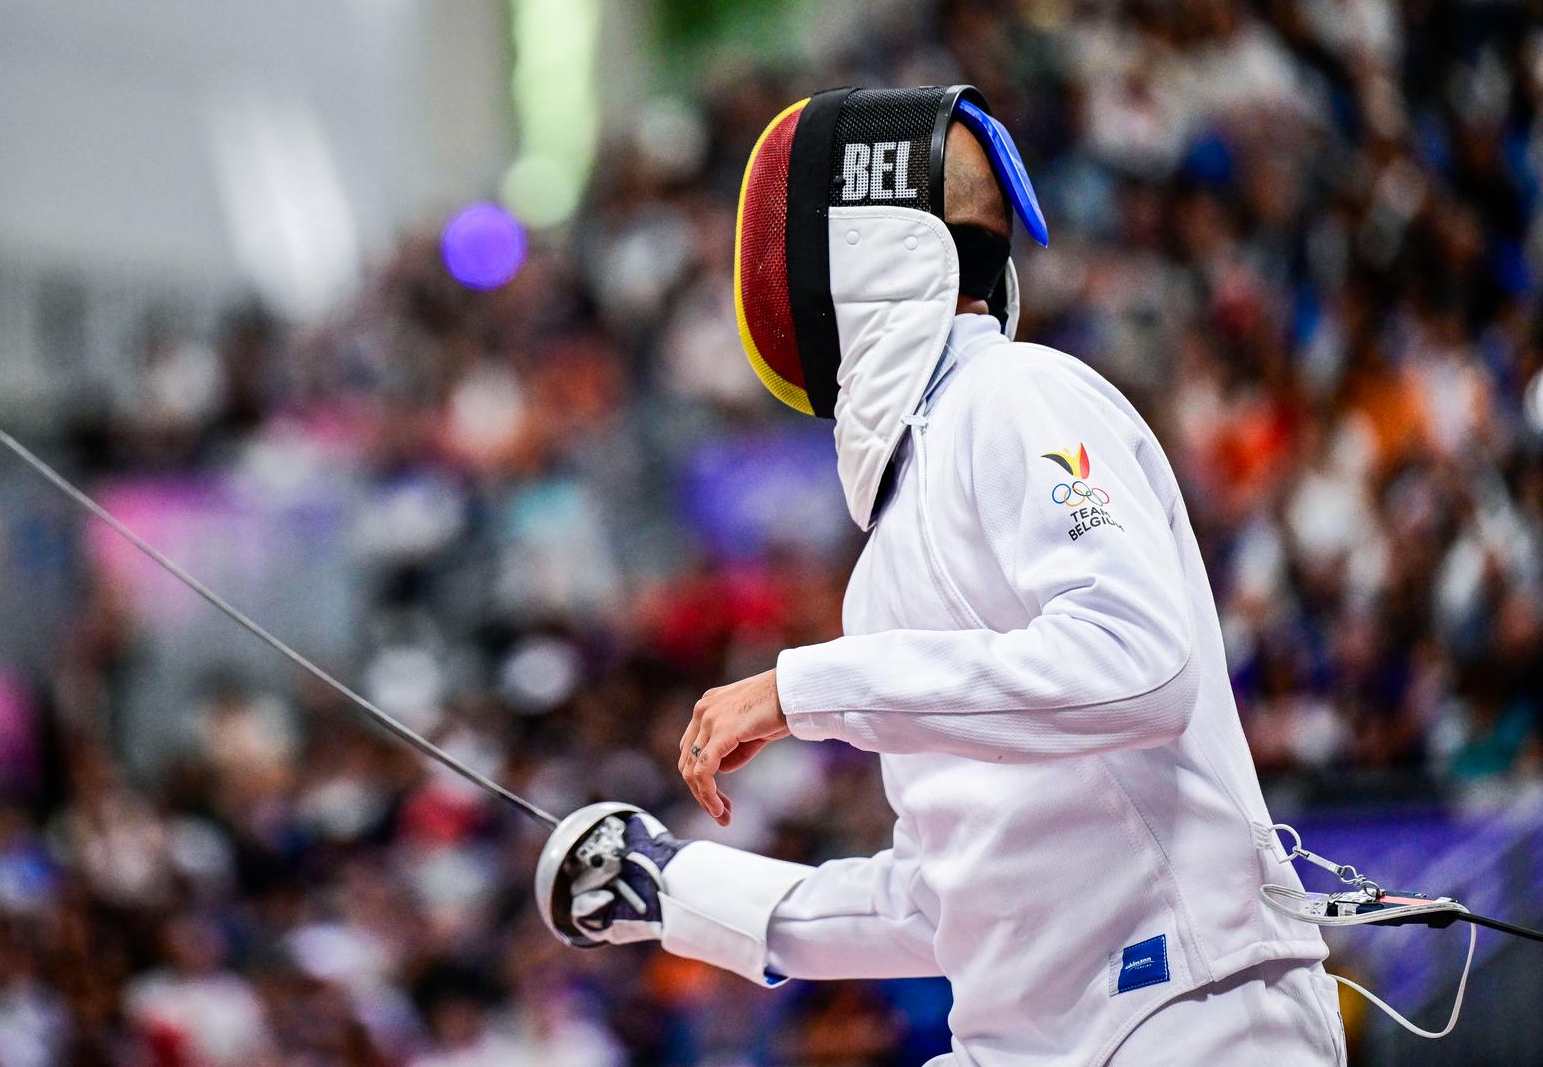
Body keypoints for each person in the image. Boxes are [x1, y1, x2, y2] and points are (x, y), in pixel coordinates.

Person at [540, 87, 1345, 1066]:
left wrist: (803, 689)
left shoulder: (1017, 394)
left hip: (1191, 1013)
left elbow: (1140, 663)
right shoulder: (887, 545)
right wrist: (674, 889)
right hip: (1027, 1043)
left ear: (857, 256)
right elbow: (943, 901)